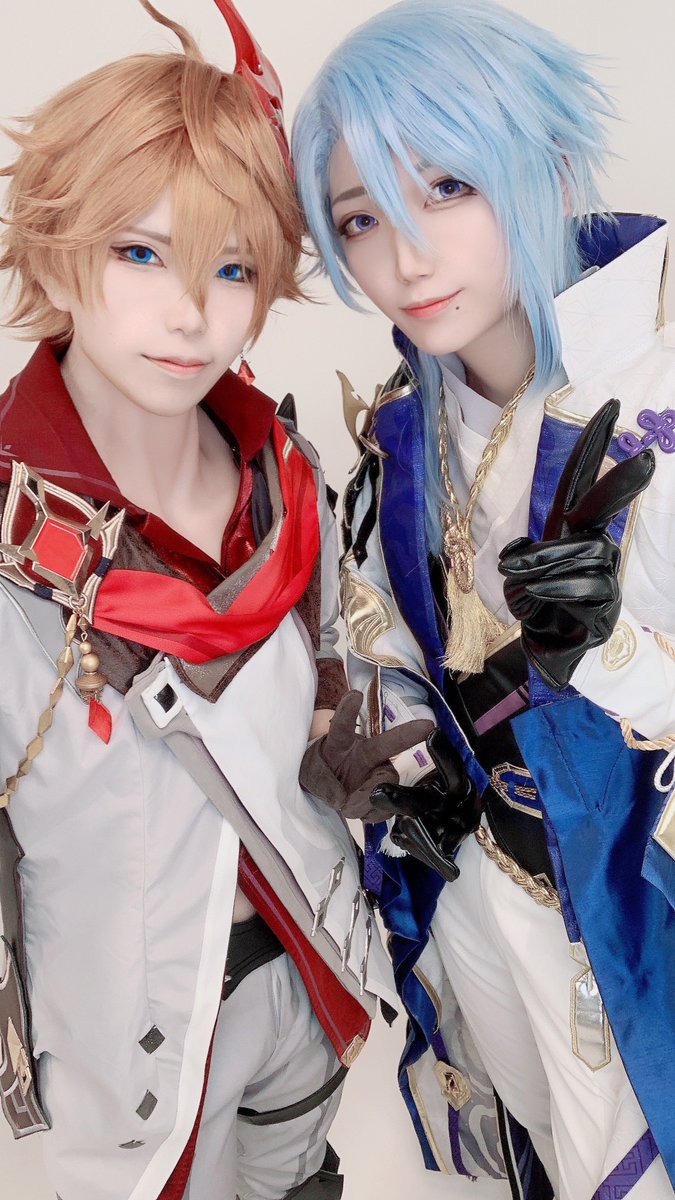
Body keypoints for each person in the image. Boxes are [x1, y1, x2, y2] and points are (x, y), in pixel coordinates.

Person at [0, 3, 431, 1197]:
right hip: (125, 1043)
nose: (192, 311)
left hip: (311, 976)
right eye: (141, 254)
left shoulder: (291, 482)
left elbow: (351, 686)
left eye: (232, 267)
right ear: (55, 249)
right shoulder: (12, 544)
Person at [292, 2, 675, 1197]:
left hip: (639, 908)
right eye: (361, 219)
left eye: (448, 187)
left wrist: (614, 652)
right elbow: (385, 641)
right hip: (486, 906)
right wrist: (390, 750)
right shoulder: (404, 430)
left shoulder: (656, 384)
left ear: (547, 162)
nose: (406, 257)